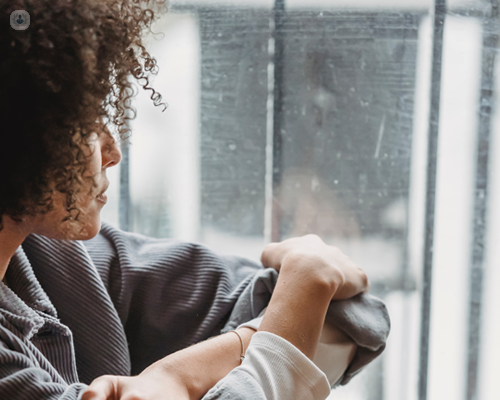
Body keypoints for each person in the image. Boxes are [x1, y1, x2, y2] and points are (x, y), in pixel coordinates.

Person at [0, 1, 389, 399]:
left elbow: (353, 315)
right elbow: (313, 301)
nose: (113, 151)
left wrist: (177, 374)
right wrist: (301, 290)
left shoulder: (62, 260)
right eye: (80, 122)